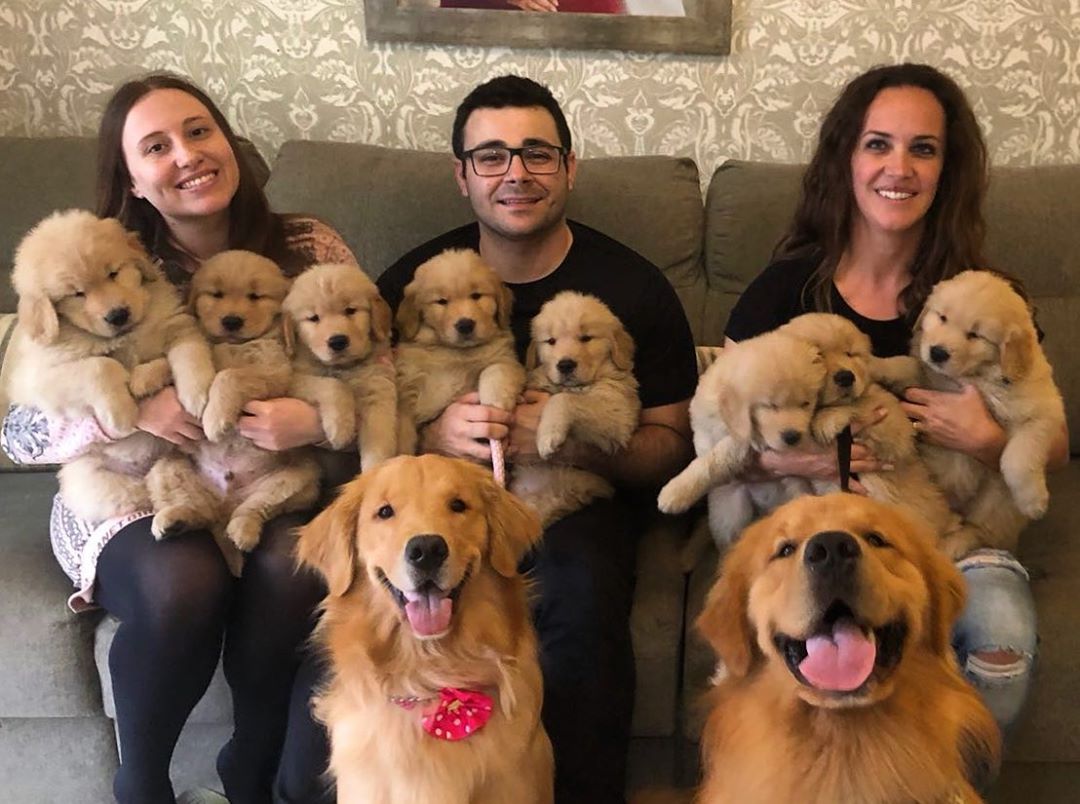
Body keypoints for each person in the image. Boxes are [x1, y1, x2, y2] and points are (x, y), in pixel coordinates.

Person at [0, 73, 358, 804]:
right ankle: (143, 787)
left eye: (199, 131)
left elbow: (378, 365)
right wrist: (133, 412)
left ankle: (248, 776)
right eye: (156, 146)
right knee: (182, 578)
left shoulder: (308, 242)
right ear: (130, 178)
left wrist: (318, 420)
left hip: (269, 469)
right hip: (135, 480)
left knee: (292, 569)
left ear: (229, 140)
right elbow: (18, 433)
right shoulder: (92, 259)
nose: (188, 154)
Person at [724, 62, 1070, 739]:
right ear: (846, 159)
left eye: (924, 148)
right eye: (878, 144)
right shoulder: (785, 288)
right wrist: (802, 465)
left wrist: (989, 441)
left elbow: (1051, 438)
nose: (899, 167)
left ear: (948, 170)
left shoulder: (979, 295)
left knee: (1000, 642)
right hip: (805, 539)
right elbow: (715, 433)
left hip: (948, 534)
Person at [377, 74, 697, 804]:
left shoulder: (634, 287)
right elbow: (371, 399)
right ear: (461, 175)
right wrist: (431, 431)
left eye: (537, 154)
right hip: (439, 503)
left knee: (578, 590)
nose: (515, 173)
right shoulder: (417, 280)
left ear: (569, 167)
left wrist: (560, 444)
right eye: (490, 156)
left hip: (579, 502)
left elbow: (672, 444)